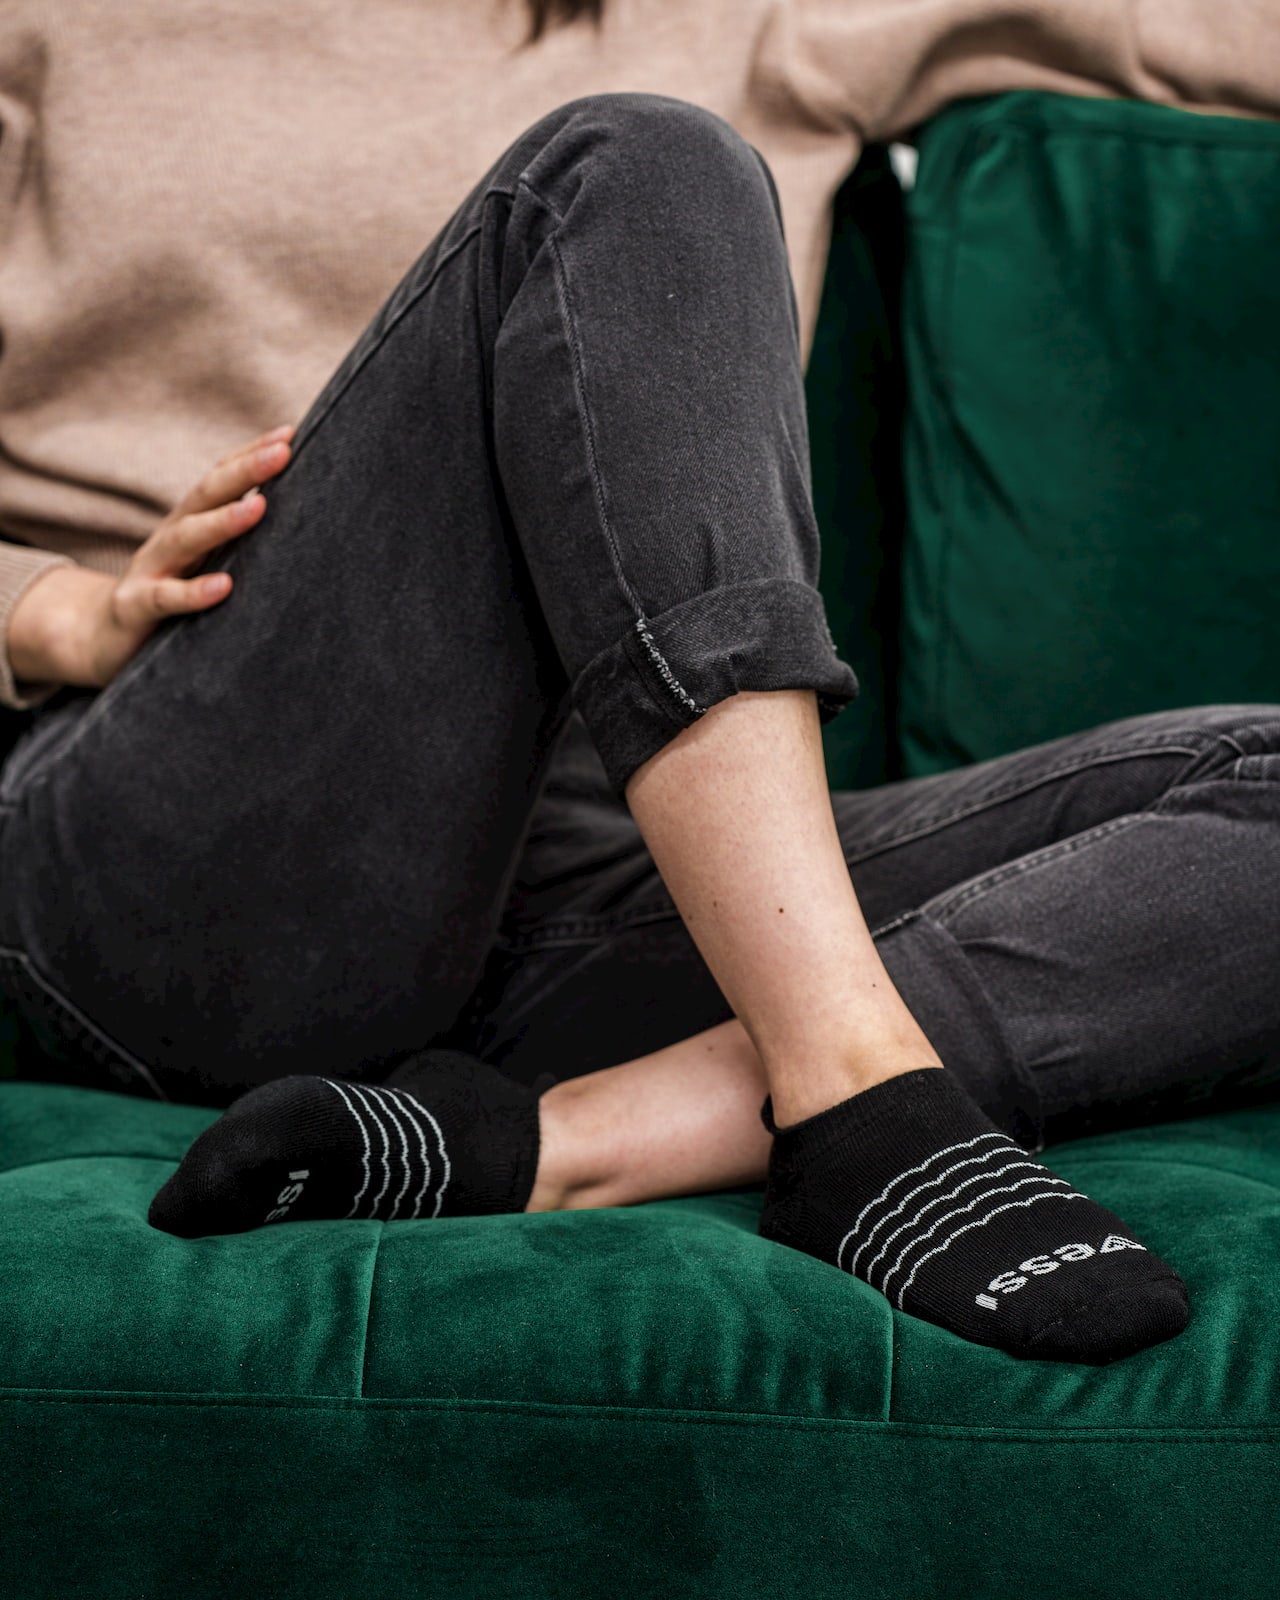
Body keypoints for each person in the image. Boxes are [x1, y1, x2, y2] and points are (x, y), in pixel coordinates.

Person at [1, 0, 1278, 1369]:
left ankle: (569, 1142)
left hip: (606, 858)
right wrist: (62, 611)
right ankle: (852, 1092)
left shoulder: (766, 10)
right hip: (174, 802)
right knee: (639, 165)